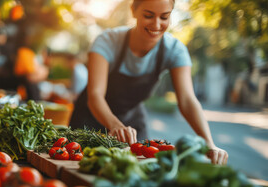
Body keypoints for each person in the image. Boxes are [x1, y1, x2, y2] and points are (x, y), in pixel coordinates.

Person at [69, 0, 228, 165]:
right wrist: (115, 125)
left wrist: (209, 143)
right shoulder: (107, 41)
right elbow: (95, 95)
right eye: (148, 15)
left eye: (164, 17)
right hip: (88, 121)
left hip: (132, 123)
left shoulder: (174, 50)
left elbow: (187, 100)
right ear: (133, 11)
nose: (157, 24)